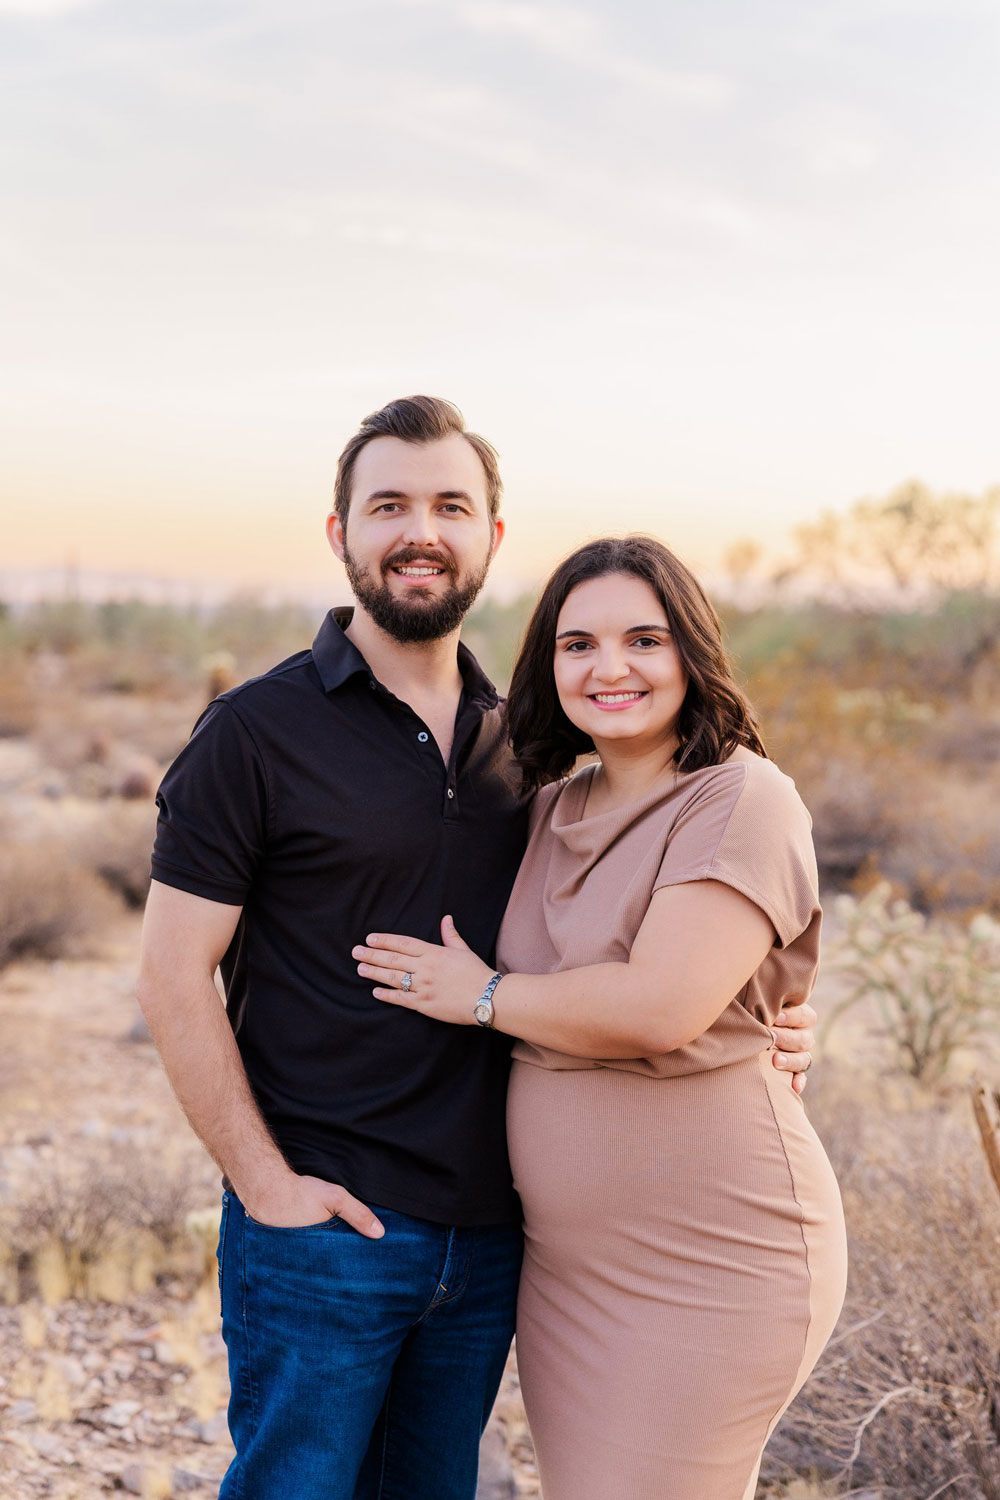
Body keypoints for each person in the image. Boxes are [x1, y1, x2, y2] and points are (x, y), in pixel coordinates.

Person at [136, 399, 815, 1500]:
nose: (421, 531)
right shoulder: (254, 733)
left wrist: (766, 1016)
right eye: (389, 505)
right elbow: (170, 978)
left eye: (451, 506)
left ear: (492, 538)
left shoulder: (529, 750)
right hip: (328, 1226)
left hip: (499, 1237)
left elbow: (634, 947)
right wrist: (266, 1187)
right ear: (339, 533)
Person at [355, 535, 847, 1500]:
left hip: (715, 1256)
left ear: (691, 654)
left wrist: (485, 997)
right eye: (577, 644)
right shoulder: (548, 807)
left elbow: (660, 1006)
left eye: (643, 640)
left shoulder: (739, 794)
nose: (609, 668)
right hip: (570, 1270)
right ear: (549, 665)